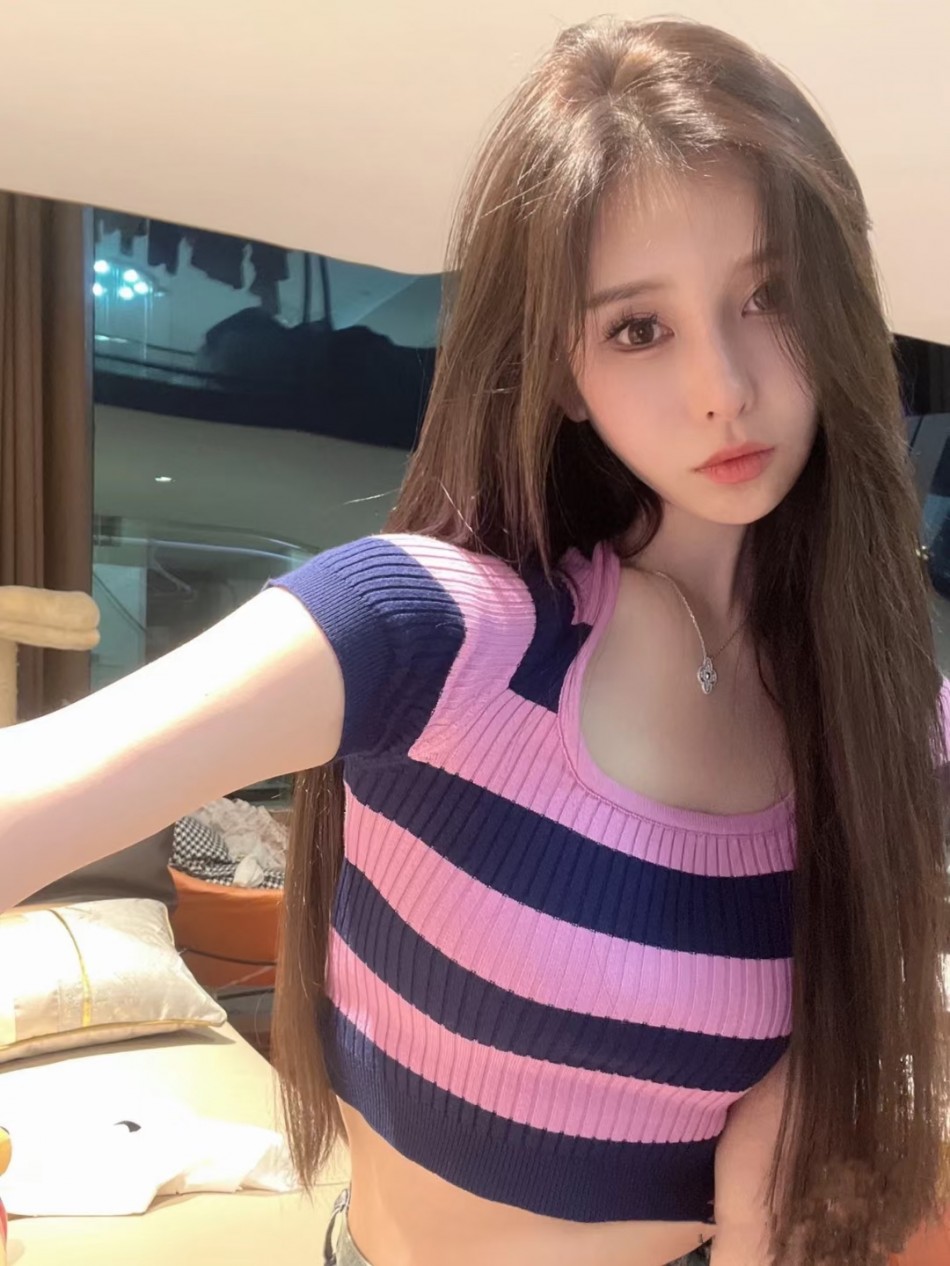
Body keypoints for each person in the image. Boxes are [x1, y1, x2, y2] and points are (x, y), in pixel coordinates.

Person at [3, 14, 948, 1266]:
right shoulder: (437, 632)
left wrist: (821, 1070)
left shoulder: (889, 716)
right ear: (560, 372)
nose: (721, 386)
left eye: (765, 296)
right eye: (636, 327)